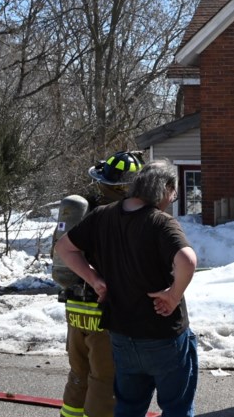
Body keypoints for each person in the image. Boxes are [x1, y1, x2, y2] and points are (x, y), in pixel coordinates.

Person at [55, 159, 198, 417]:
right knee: (177, 408)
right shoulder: (161, 222)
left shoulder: (102, 215)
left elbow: (64, 248)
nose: (173, 198)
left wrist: (94, 279)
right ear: (163, 188)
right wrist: (173, 295)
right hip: (163, 335)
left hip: (121, 336)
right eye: (173, 192)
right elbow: (187, 260)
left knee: (128, 408)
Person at [57, 150, 144, 417]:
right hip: (102, 309)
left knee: (79, 373)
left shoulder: (86, 212)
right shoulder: (120, 218)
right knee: (104, 379)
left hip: (75, 307)